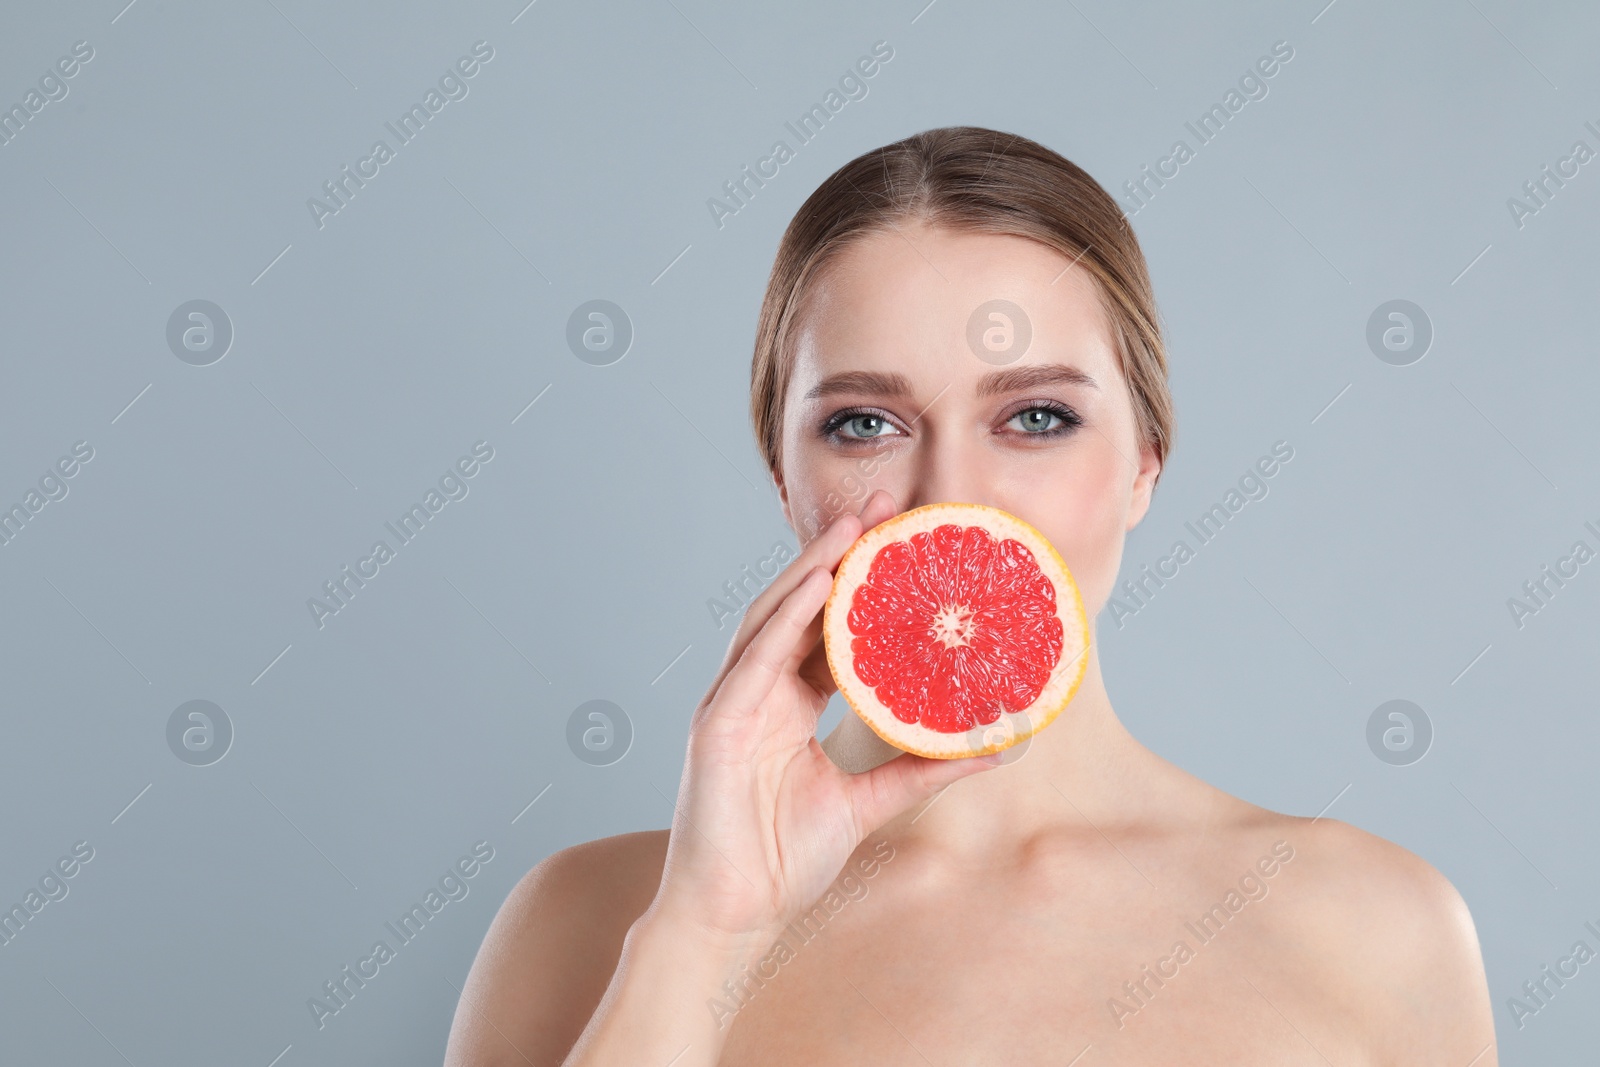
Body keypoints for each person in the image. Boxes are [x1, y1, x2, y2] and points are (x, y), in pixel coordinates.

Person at [443, 126, 1497, 1065]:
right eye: (864, 423)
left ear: (1145, 464)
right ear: (784, 479)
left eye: (1035, 417)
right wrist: (705, 929)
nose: (949, 498)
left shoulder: (1374, 927)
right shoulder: (581, 924)